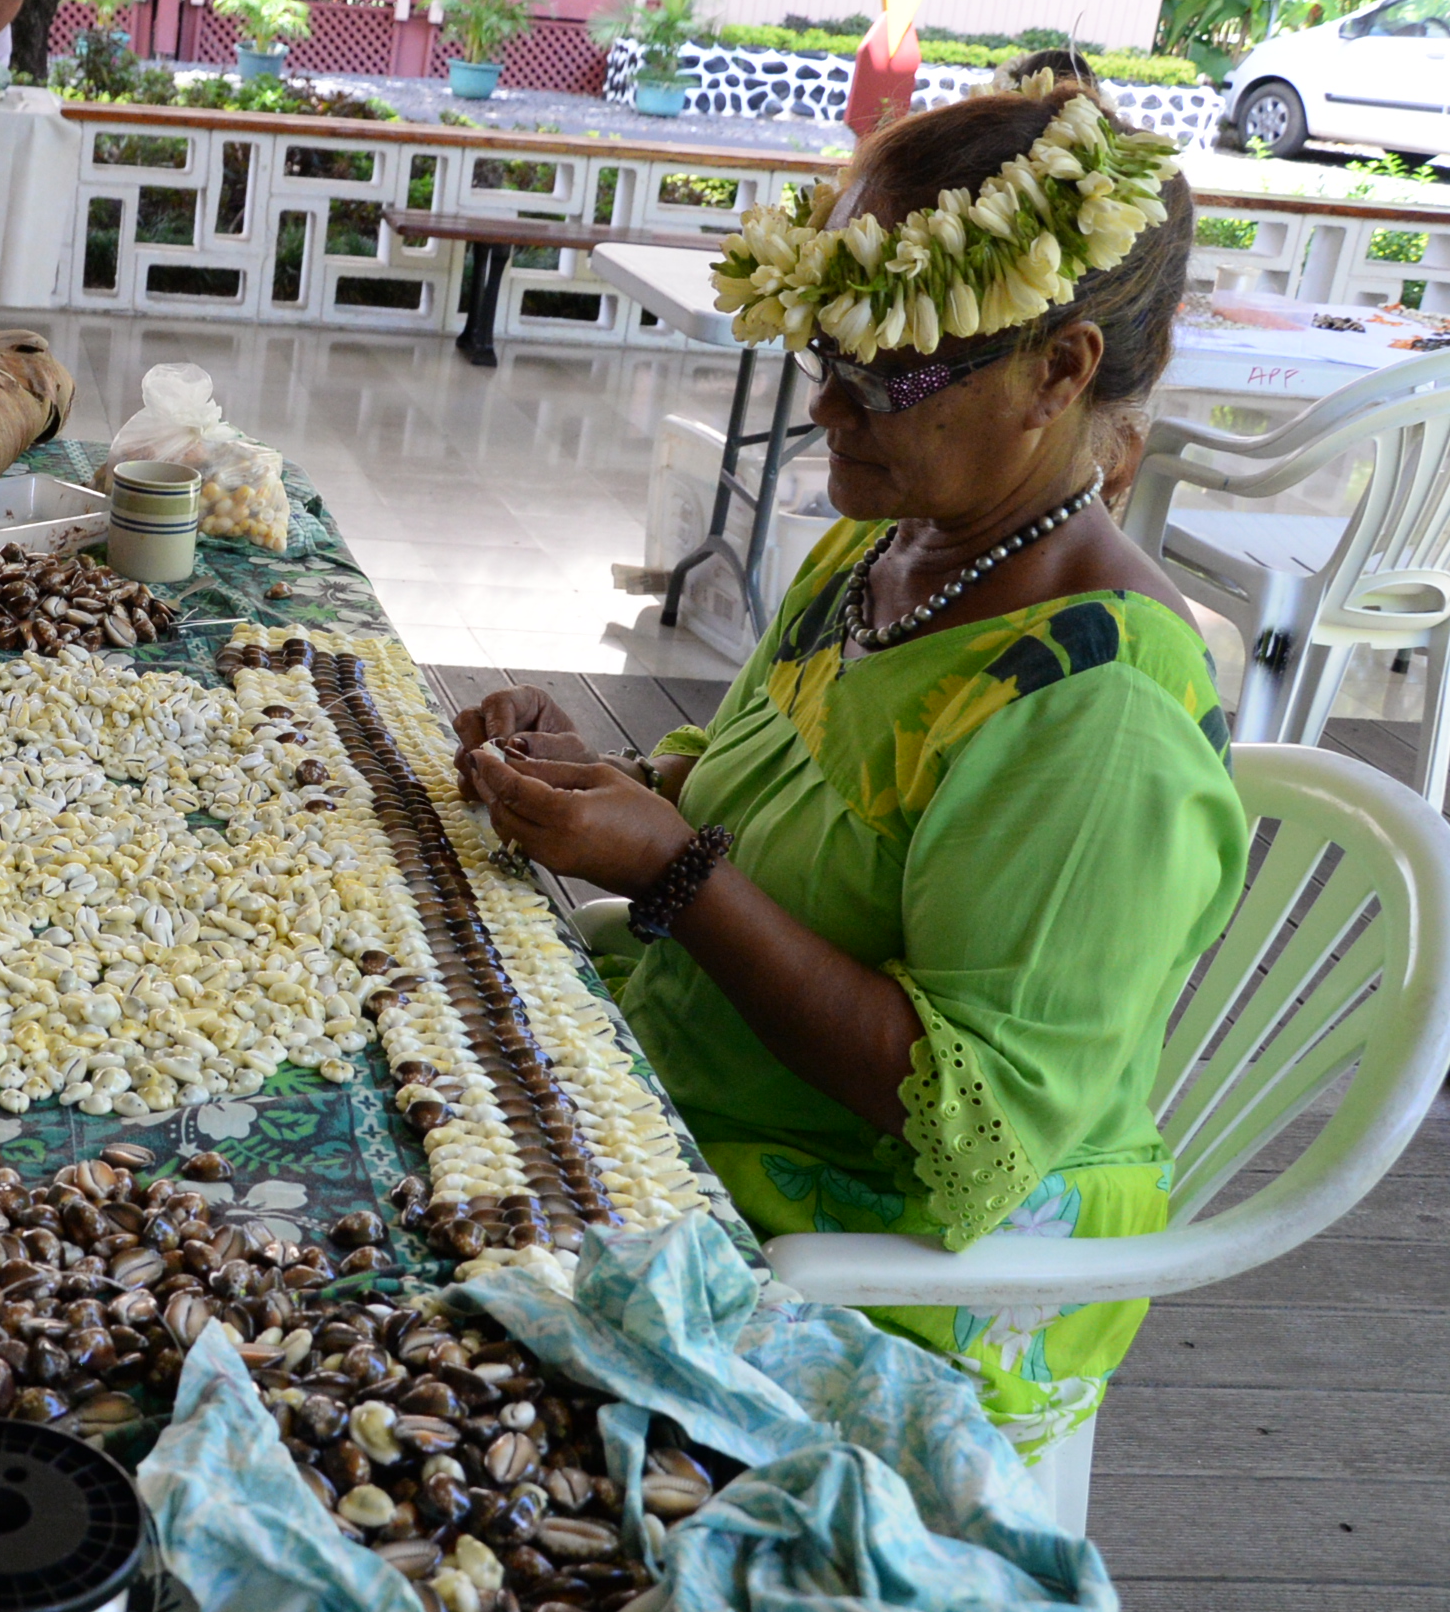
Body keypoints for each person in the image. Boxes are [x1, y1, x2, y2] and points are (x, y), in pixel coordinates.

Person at [453, 81, 1244, 1458]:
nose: (826, 406)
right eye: (823, 352)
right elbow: (764, 796)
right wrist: (603, 786)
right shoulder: (888, 552)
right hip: (696, 1112)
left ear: (1060, 370)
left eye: (887, 371)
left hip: (886, 1271)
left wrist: (674, 870)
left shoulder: (1097, 710)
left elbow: (964, 1135)